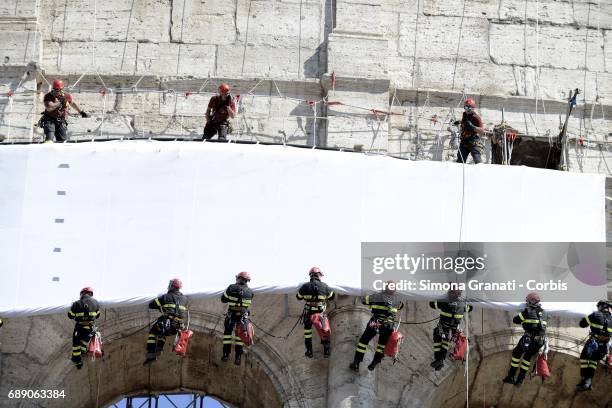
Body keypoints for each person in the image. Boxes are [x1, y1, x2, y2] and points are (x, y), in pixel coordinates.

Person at [349, 282, 404, 371]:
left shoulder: (376, 296)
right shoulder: (398, 300)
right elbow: (400, 306)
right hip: (388, 325)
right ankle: (374, 363)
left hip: (375, 322)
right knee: (381, 345)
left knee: (364, 341)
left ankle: (356, 362)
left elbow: (364, 300)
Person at [502, 292, 548, 387]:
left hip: (529, 338)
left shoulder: (527, 311)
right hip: (540, 341)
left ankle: (511, 376)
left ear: (530, 301)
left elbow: (515, 320)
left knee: (516, 353)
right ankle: (520, 380)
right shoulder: (545, 313)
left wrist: (523, 314)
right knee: (527, 358)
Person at [143, 279, 188, 366]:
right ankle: (159, 348)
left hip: (166, 322)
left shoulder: (165, 297)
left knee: (153, 332)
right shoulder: (185, 299)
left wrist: (161, 307)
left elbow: (151, 305)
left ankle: (151, 351)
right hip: (177, 327)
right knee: (163, 333)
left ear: (171, 286)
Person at [296, 267, 336, 358]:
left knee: (307, 333)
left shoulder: (305, 286)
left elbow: (298, 297)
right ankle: (326, 351)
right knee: (324, 330)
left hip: (308, 314)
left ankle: (309, 351)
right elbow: (332, 297)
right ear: (319, 275)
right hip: (320, 314)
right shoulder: (325, 286)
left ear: (311, 276)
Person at [429, 288, 472, 371]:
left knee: (438, 339)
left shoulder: (444, 302)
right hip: (453, 330)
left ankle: (439, 359)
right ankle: (440, 360)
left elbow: (432, 304)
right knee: (445, 342)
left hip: (443, 327)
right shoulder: (463, 304)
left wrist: (441, 296)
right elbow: (470, 308)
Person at [576, 300, 612, 391]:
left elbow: (582, 324)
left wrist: (584, 319)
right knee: (593, 361)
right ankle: (588, 382)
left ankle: (585, 379)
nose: (598, 308)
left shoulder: (596, 314)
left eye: (599, 306)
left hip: (593, 343)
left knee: (584, 358)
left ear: (603, 306)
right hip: (604, 346)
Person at [221, 271, 254, 365]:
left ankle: (226, 355)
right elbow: (248, 302)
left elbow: (223, 299)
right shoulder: (250, 291)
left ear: (239, 278)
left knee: (227, 334)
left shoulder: (231, 287)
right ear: (247, 281)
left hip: (232, 314)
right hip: (243, 316)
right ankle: (238, 357)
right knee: (240, 335)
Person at [67, 287, 101, 369]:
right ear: (91, 294)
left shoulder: (76, 303)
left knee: (76, 345)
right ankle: (83, 351)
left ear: (82, 293)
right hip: (89, 328)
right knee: (84, 342)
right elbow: (98, 315)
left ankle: (77, 361)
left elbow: (70, 316)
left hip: (79, 328)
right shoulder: (96, 303)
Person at [455, 98, 486, 164]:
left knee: (477, 160)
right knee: (460, 161)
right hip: (464, 141)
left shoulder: (476, 117)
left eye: (469, 107)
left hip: (473, 141)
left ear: (473, 108)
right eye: (465, 107)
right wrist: (460, 122)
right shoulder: (465, 114)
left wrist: (473, 127)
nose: (467, 109)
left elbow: (482, 131)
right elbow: (465, 122)